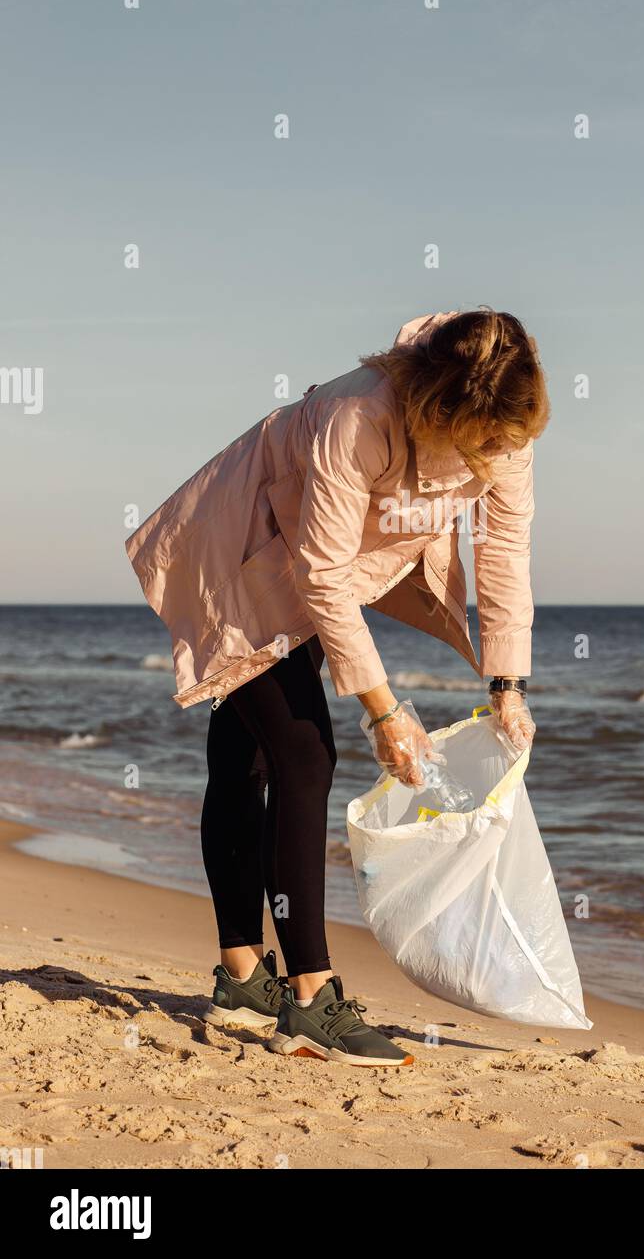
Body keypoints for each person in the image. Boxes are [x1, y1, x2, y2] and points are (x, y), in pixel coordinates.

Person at [125, 308, 548, 1067]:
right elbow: (319, 572)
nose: (498, 455)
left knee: (247, 760)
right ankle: (312, 1000)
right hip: (246, 548)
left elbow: (507, 549)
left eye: (508, 441)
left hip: (310, 562)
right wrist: (384, 711)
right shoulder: (358, 415)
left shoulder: (505, 424)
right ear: (441, 405)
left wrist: (507, 681)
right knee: (303, 757)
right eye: (483, 439)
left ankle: (243, 981)